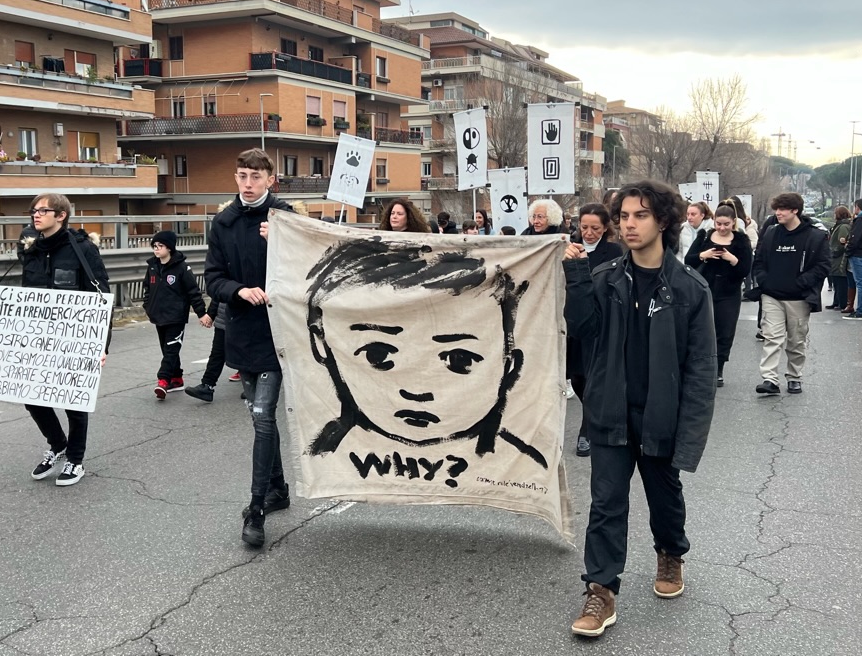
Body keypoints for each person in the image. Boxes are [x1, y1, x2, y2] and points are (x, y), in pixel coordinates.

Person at [563, 181, 716, 638]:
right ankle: (601, 590)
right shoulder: (605, 276)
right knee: (606, 504)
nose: (629, 224)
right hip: (610, 411)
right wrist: (575, 277)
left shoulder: (690, 288)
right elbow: (580, 328)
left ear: (663, 221)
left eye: (640, 216)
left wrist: (688, 439)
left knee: (664, 499)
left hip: (660, 416)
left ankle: (671, 552)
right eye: (624, 216)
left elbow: (701, 371)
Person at [302, 238, 546, 469]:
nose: (417, 391)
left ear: (509, 361)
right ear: (323, 344)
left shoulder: (525, 468)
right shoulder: (322, 458)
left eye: (459, 360)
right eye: (378, 355)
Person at [204, 149, 294, 548]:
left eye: (255, 176)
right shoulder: (223, 223)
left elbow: (312, 266)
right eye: (242, 175)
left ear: (270, 180)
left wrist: (283, 243)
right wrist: (238, 290)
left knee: (262, 419)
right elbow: (213, 278)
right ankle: (278, 489)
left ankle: (256, 510)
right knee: (261, 421)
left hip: (278, 335)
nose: (247, 183)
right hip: (240, 333)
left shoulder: (286, 218)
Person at [22, 193, 110, 487]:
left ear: (61, 215)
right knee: (31, 398)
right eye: (34, 211)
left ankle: (75, 459)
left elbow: (101, 298)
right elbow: (24, 298)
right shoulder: (32, 250)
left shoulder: (83, 250)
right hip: (39, 339)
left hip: (76, 339)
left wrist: (101, 344)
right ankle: (57, 445)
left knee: (73, 402)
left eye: (43, 210)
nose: (36, 215)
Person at [748, 193, 831, 395]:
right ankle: (770, 379)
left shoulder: (815, 236)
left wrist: (802, 282)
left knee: (796, 340)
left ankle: (794, 376)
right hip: (772, 295)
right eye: (776, 209)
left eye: (783, 209)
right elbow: (759, 260)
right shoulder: (770, 233)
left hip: (799, 298)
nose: (778, 213)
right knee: (772, 337)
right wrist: (764, 280)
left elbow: (823, 265)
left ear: (795, 210)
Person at [567, 202, 623, 457]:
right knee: (576, 376)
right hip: (571, 321)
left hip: (598, 320)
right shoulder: (567, 246)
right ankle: (592, 417)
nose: (589, 233)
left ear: (605, 228)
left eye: (595, 228)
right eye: (585, 227)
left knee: (591, 376)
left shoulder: (613, 251)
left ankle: (586, 430)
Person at [685, 204, 752, 387]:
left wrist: (732, 259)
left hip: (729, 293)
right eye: (718, 224)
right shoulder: (704, 236)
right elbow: (688, 260)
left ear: (733, 223)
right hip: (705, 290)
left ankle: (719, 368)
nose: (722, 228)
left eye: (726, 224)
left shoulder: (741, 240)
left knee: (724, 331)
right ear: (713, 221)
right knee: (701, 330)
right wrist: (703, 255)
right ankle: (700, 366)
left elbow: (745, 269)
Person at [142, 230, 211, 400]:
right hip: (158, 316)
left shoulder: (182, 268)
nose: (156, 250)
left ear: (170, 248)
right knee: (167, 349)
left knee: (171, 349)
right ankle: (177, 378)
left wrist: (202, 313)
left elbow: (193, 292)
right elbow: (146, 289)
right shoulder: (152, 267)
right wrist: (148, 306)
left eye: (161, 246)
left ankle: (163, 380)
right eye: (155, 246)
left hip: (176, 317)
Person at [826, 206, 853, 311]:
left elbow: (843, 242)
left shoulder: (843, 227)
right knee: (836, 280)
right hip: (836, 256)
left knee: (840, 280)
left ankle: (841, 303)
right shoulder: (840, 225)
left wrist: (835, 251)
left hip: (839, 257)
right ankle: (836, 302)